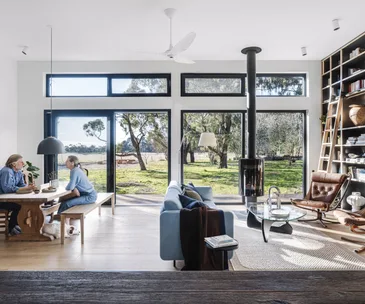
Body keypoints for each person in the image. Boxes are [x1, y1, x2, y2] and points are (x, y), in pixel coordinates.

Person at [0, 154, 35, 235]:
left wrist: (29, 187)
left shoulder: (18, 171)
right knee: (20, 206)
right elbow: (7, 189)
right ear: (13, 164)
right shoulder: (7, 171)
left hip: (10, 198)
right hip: (2, 200)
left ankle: (18, 226)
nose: (23, 164)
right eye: (21, 162)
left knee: (25, 205)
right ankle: (12, 228)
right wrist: (24, 188)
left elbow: (22, 185)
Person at [57, 155, 97, 226]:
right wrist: (74, 187)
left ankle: (63, 225)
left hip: (90, 196)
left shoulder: (74, 171)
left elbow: (70, 187)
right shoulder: (75, 170)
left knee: (66, 204)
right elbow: (72, 186)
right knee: (63, 201)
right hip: (85, 194)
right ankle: (64, 222)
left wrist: (73, 187)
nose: (65, 162)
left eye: (67, 161)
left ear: (72, 163)